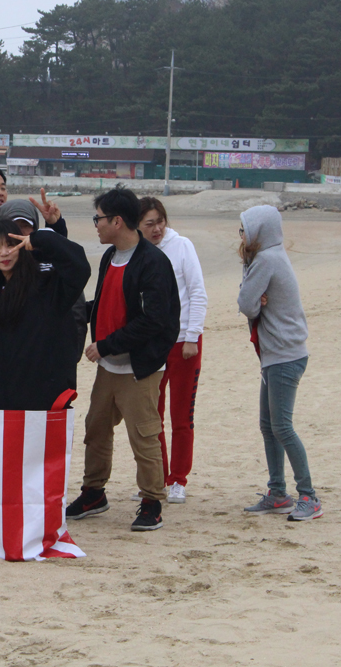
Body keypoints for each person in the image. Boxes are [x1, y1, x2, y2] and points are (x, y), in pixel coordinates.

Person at [66, 186, 180, 532]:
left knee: (144, 436)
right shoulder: (110, 256)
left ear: (117, 221)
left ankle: (152, 502)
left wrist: (105, 345)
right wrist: (69, 312)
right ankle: (93, 493)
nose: (96, 225)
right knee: (96, 429)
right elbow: (106, 303)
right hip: (109, 366)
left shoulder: (152, 262)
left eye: (98, 218)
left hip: (139, 368)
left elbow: (153, 320)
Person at [237, 205, 321, 522]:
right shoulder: (267, 256)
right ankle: (277, 494)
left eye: (245, 229)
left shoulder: (266, 259)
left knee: (282, 427)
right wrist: (254, 297)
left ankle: (309, 497)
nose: (241, 235)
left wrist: (255, 301)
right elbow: (250, 300)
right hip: (278, 354)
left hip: (285, 355)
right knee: (268, 425)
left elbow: (246, 304)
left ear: (259, 231)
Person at [137, 197, 208, 505]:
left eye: (160, 222)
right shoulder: (137, 251)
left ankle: (178, 479)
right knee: (151, 417)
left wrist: (192, 336)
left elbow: (197, 292)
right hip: (152, 345)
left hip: (183, 344)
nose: (157, 229)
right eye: (149, 224)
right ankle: (157, 478)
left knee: (181, 416)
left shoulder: (182, 246)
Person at [0, 218, 91, 411]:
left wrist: (42, 238)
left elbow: (79, 267)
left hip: (43, 401)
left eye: (10, 245)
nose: (4, 253)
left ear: (22, 246)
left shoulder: (46, 286)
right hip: (0, 402)